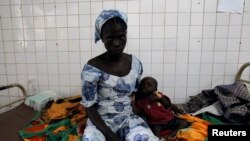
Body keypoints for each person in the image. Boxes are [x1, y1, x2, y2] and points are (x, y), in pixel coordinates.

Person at [81, 9, 160, 141]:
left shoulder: (135, 63)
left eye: (121, 37)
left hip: (128, 119)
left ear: (126, 34)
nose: (116, 43)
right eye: (110, 38)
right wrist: (110, 135)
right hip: (100, 123)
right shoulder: (92, 68)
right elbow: (89, 108)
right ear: (102, 38)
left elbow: (136, 93)